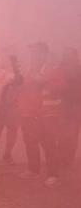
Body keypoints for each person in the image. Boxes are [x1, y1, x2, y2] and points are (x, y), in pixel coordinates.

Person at [18, 42, 65, 186]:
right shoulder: (28, 69)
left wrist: (43, 82)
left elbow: (60, 89)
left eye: (36, 52)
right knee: (30, 142)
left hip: (47, 114)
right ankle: (33, 170)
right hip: (28, 113)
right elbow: (24, 89)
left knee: (49, 144)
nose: (33, 56)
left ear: (44, 54)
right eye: (32, 53)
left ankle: (53, 174)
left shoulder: (53, 69)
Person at [57, 47, 81, 173]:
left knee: (71, 134)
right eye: (64, 54)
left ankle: (67, 160)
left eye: (68, 55)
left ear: (75, 56)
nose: (65, 57)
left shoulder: (78, 69)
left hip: (76, 106)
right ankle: (61, 158)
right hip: (64, 105)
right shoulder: (61, 68)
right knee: (62, 134)